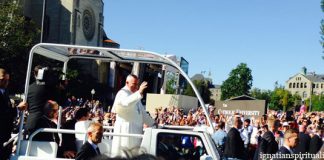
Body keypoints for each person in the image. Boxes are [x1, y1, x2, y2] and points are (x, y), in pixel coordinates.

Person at [111, 74, 155, 157]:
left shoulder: (135, 95)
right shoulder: (122, 92)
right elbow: (125, 104)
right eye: (134, 84)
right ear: (127, 83)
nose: (136, 87)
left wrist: (153, 123)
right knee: (125, 155)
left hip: (135, 132)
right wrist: (139, 92)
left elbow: (142, 113)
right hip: (126, 131)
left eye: (137, 84)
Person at [0, 68, 27, 160]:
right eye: (3, 80)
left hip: (6, 134)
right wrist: (18, 109)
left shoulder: (5, 91)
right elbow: (3, 112)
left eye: (7, 80)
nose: (6, 82)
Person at [26, 65, 57, 134]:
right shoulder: (48, 88)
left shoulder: (29, 88)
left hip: (30, 122)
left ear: (34, 73)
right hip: (43, 124)